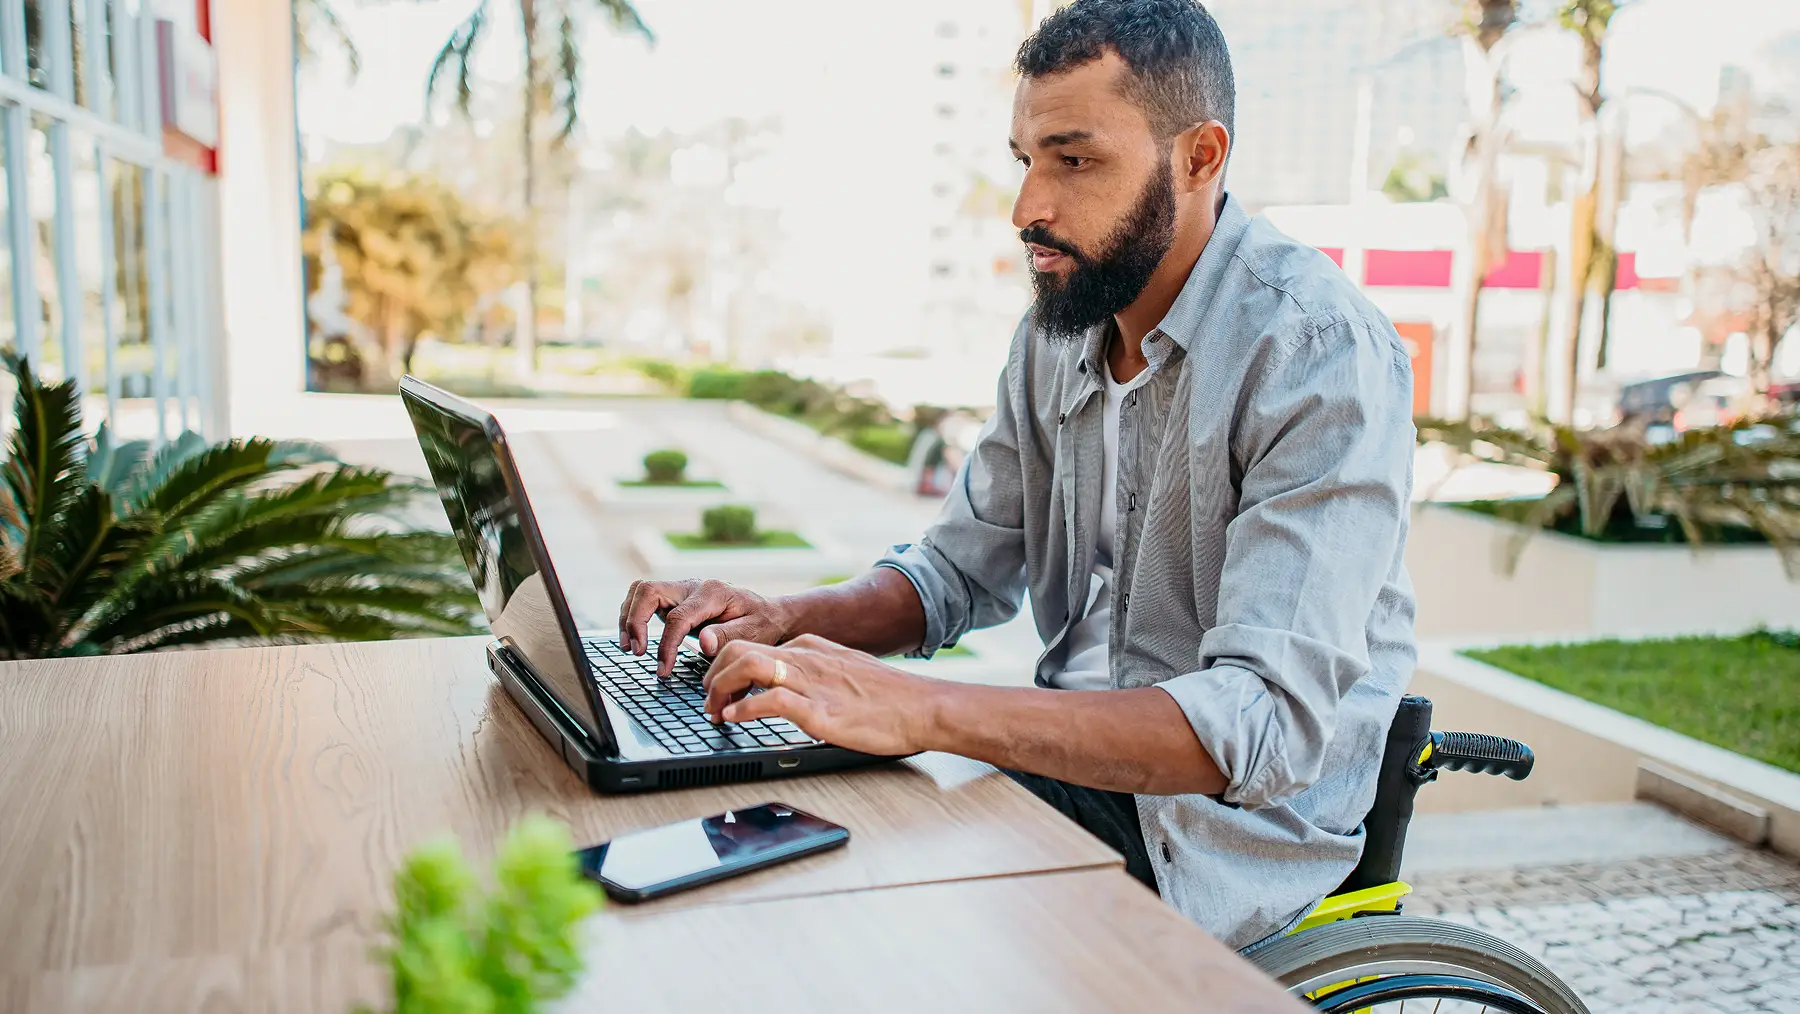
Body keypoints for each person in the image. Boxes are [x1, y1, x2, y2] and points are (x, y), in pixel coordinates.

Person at [617, 0, 1416, 951]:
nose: (1027, 206)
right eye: (1025, 159)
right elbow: (957, 573)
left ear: (1200, 158)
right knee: (751, 806)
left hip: (1217, 837)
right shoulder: (1059, 331)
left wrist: (923, 710)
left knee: (838, 901)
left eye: (1074, 161)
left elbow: (1260, 725)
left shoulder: (1317, 352)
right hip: (1059, 772)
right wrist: (787, 622)